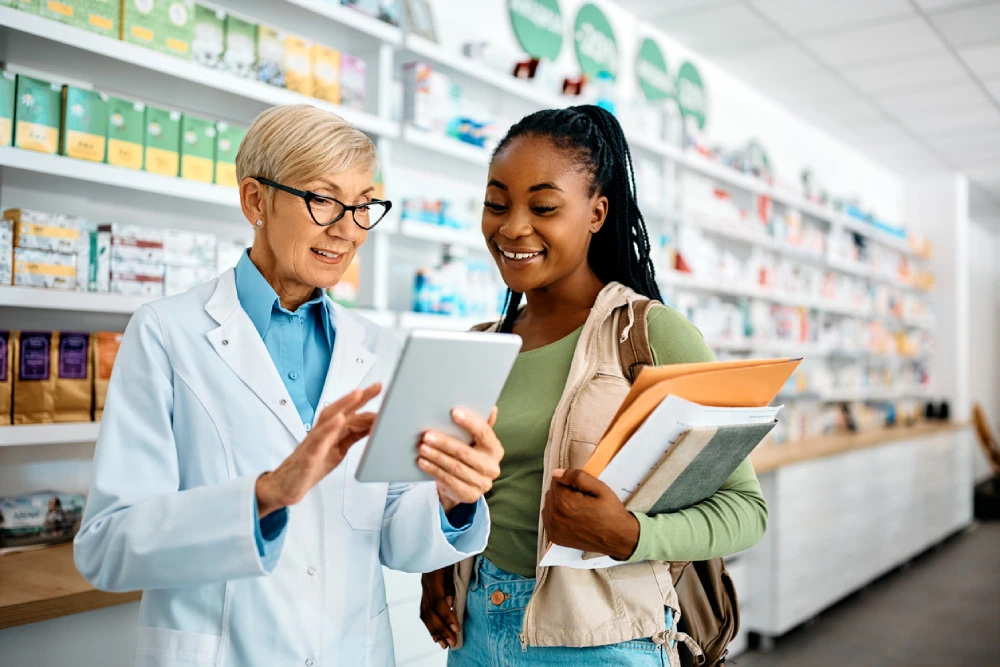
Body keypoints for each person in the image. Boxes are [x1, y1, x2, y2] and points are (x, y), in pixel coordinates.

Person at [75, 105, 504, 667]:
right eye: (324, 200)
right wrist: (267, 494)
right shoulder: (166, 333)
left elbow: (395, 537)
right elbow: (108, 547)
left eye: (363, 205)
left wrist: (452, 497)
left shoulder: (376, 348)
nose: (348, 230)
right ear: (256, 201)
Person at [419, 105, 768, 666]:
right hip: (477, 626)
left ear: (597, 213)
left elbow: (746, 510)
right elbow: (456, 490)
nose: (512, 227)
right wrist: (438, 562)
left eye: (544, 206)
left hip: (604, 642)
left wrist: (630, 534)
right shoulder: (477, 347)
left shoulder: (650, 336)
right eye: (496, 203)